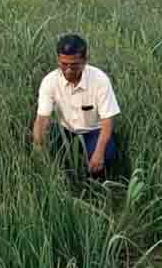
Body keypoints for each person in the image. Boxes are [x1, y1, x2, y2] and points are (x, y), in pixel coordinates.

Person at [32, 34, 121, 178]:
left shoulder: (100, 80)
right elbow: (42, 119)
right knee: (49, 151)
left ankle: (95, 184)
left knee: (106, 156)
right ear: (58, 60)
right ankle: (63, 178)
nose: (68, 70)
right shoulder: (50, 81)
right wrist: (38, 147)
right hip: (65, 131)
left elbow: (107, 121)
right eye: (63, 64)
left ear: (85, 60)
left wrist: (99, 153)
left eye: (73, 65)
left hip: (93, 132)